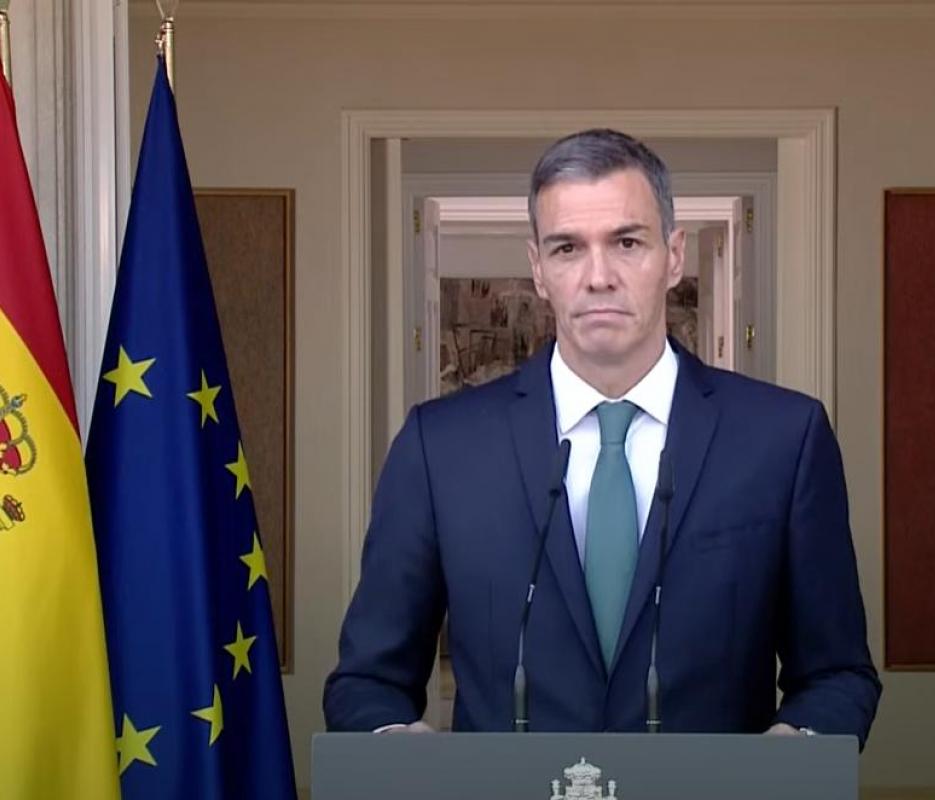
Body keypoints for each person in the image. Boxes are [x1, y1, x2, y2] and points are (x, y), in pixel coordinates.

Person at [324, 129, 881, 745]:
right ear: (538, 269)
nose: (598, 276)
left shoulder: (783, 439)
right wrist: (394, 741)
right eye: (567, 248)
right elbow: (366, 683)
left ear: (674, 256)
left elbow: (837, 675)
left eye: (627, 242)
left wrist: (797, 746)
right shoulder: (440, 448)